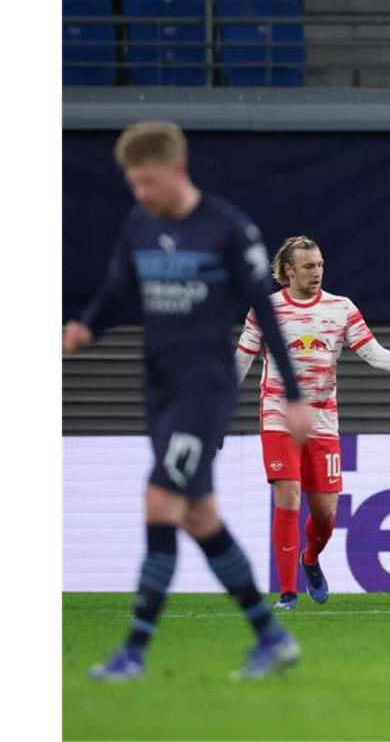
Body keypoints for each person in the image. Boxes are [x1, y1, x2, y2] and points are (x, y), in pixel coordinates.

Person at [65, 120, 312, 681]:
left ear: (176, 170)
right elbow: (116, 289)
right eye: (133, 184)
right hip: (158, 387)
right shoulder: (139, 225)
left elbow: (266, 313)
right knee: (200, 517)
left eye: (147, 181)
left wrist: (295, 395)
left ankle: (132, 652)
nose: (141, 194)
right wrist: (84, 329)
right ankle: (270, 638)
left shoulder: (227, 228)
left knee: (160, 502)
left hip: (204, 388)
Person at [235, 236, 390, 610]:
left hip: (323, 421)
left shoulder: (341, 308)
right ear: (288, 270)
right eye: (309, 266)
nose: (317, 272)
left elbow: (373, 354)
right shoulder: (266, 309)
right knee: (288, 494)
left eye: (320, 265)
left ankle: (310, 557)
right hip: (281, 414)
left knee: (326, 514)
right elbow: (241, 360)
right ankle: (287, 592)